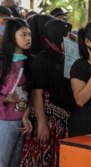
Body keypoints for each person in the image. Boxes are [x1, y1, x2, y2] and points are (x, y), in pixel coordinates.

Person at [20, 20, 75, 167]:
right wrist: (42, 123)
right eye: (66, 36)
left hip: (61, 122)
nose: (69, 39)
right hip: (48, 122)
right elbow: (37, 93)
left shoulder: (63, 57)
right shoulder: (43, 59)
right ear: (56, 36)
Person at [0, 18, 32, 167]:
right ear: (12, 35)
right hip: (3, 121)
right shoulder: (3, 62)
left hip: (20, 122)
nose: (28, 38)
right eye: (23, 34)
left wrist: (26, 115)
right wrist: (5, 100)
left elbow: (29, 93)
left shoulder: (29, 62)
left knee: (14, 163)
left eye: (29, 34)